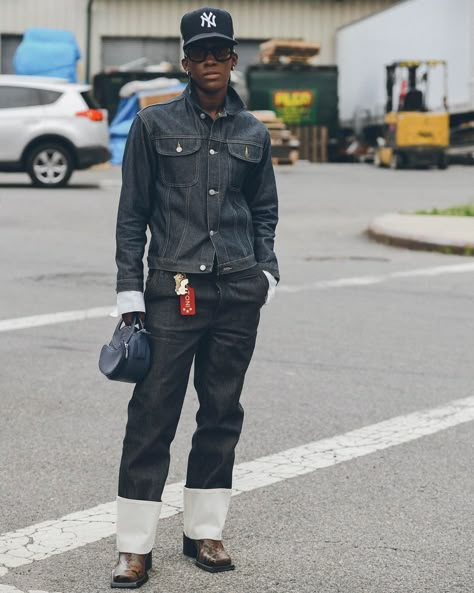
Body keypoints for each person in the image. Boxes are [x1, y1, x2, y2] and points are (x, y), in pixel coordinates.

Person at [112, 6, 279, 588]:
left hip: (237, 289)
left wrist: (267, 273)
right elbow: (132, 214)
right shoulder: (153, 125)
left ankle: (205, 532)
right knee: (153, 414)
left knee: (222, 413)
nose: (210, 62)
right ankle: (134, 547)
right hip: (174, 288)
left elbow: (263, 212)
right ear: (185, 62)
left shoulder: (253, 132)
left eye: (220, 53)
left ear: (234, 60)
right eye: (199, 53)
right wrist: (129, 292)